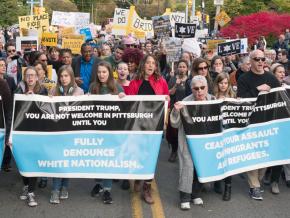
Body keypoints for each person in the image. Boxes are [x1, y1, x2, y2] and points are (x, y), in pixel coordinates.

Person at [237, 49, 280, 200]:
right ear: (251, 61)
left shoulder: (272, 78)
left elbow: (280, 99)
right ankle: (254, 187)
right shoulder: (243, 79)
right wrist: (257, 90)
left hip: (267, 124)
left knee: (264, 158)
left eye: (263, 59)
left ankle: (257, 182)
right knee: (252, 157)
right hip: (250, 123)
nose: (261, 62)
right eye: (257, 59)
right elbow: (241, 100)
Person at [128, 54, 169, 204]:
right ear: (143, 65)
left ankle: (147, 187)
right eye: (148, 63)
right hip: (138, 126)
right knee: (138, 154)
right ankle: (139, 176)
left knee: (150, 156)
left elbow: (166, 103)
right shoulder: (135, 82)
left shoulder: (161, 81)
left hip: (154, 127)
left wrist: (165, 116)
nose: (151, 66)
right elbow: (130, 104)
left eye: (153, 63)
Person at [170, 75, 214, 210]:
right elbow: (174, 124)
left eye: (202, 88)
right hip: (188, 141)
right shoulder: (185, 102)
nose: (199, 91)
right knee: (187, 167)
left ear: (207, 87)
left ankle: (196, 194)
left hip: (206, 141)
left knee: (201, 167)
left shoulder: (213, 100)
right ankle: (184, 197)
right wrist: (176, 110)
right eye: (196, 88)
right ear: (191, 89)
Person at [90, 61, 124, 204]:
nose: (101, 75)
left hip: (111, 130)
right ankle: (98, 184)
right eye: (99, 72)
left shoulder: (117, 86)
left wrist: (123, 97)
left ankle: (107, 190)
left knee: (108, 159)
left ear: (109, 72)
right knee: (97, 158)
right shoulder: (93, 86)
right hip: (97, 129)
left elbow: (124, 108)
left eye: (104, 72)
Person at [49, 65, 84, 204]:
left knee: (67, 161)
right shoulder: (53, 90)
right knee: (58, 160)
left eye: (66, 76)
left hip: (72, 133)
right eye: (61, 76)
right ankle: (55, 189)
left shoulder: (79, 91)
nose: (64, 79)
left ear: (71, 77)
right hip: (57, 133)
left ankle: (64, 187)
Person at [16, 67, 48, 207]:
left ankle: (31, 192)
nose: (30, 78)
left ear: (37, 77)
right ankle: (25, 185)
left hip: (37, 132)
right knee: (23, 161)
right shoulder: (19, 89)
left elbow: (47, 109)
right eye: (27, 75)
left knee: (33, 161)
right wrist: (24, 97)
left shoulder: (43, 90)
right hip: (22, 132)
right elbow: (15, 108)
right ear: (24, 77)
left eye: (33, 75)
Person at [167, 60, 189, 162]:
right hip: (174, 109)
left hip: (186, 110)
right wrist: (176, 85)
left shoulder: (189, 80)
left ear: (187, 68)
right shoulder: (172, 79)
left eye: (184, 67)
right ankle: (174, 151)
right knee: (173, 132)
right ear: (177, 68)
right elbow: (169, 93)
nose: (182, 69)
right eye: (180, 67)